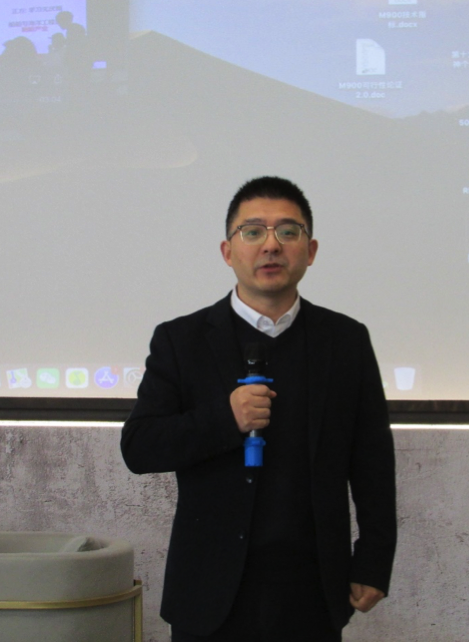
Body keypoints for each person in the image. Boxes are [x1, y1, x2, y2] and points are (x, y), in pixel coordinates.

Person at [121, 176, 397, 642]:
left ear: (310, 251)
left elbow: (372, 460)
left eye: (288, 232)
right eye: (253, 232)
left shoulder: (345, 340)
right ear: (228, 252)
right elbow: (139, 447)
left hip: (313, 588)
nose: (271, 245)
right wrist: (225, 419)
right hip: (209, 591)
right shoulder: (181, 340)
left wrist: (374, 560)